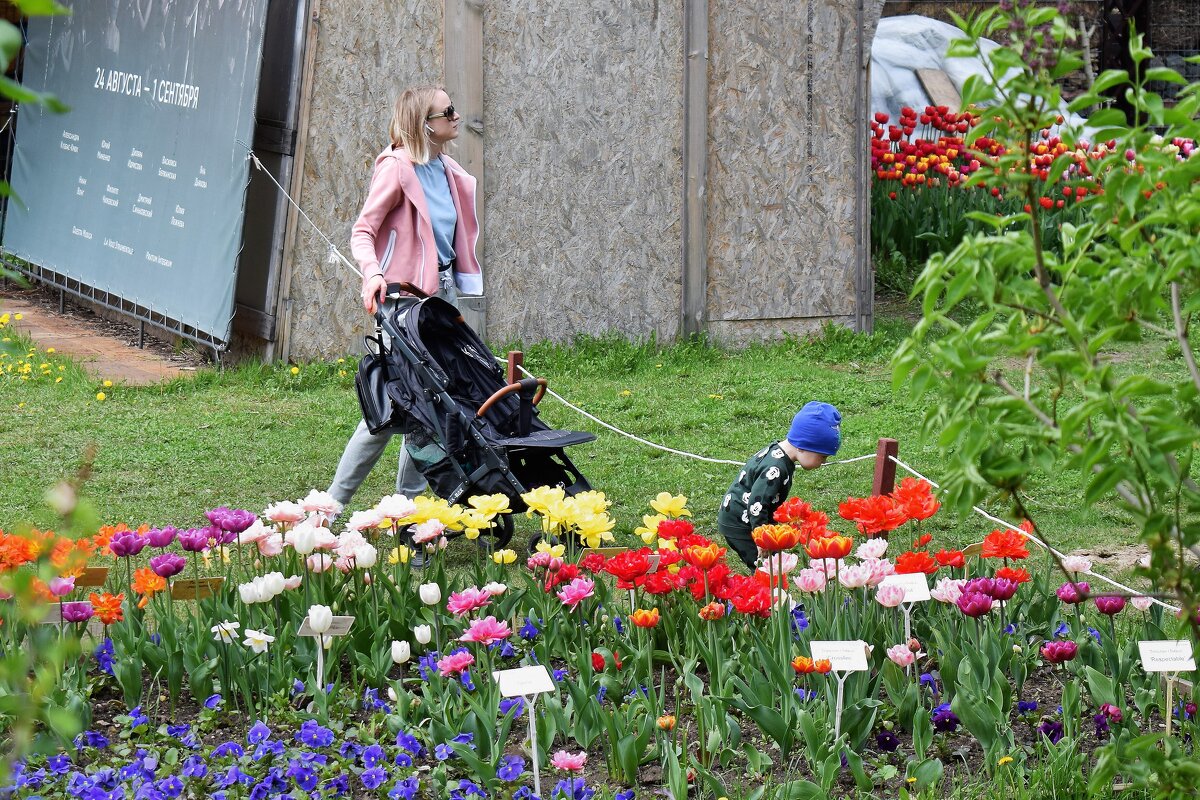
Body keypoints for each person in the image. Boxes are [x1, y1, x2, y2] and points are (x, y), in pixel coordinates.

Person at [327, 86, 483, 512]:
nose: (456, 115)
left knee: (430, 406)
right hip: (402, 306)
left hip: (440, 302)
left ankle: (405, 509)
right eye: (446, 111)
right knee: (390, 409)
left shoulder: (448, 170)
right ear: (424, 124)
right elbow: (363, 231)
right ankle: (330, 510)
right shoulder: (396, 168)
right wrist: (373, 274)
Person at [716, 401, 842, 569]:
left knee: (775, 562)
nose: (823, 462)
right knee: (767, 568)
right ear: (804, 446)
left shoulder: (780, 452)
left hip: (749, 519)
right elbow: (757, 504)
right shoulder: (776, 468)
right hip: (740, 522)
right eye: (822, 456)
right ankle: (765, 593)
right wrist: (763, 539)